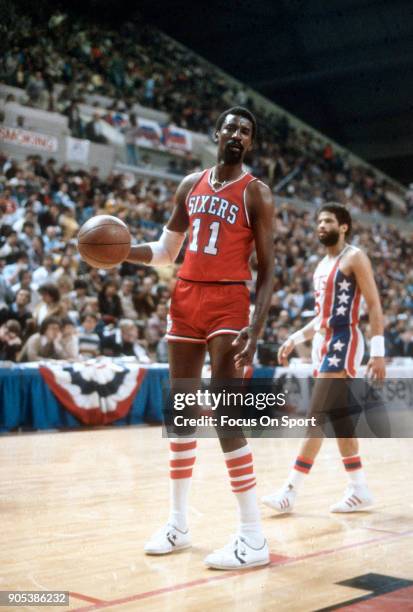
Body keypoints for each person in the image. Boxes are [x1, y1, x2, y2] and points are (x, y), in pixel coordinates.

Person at [125, 107, 274, 569]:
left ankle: (253, 537)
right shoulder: (190, 184)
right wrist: (119, 254)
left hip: (229, 301)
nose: (236, 134)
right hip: (185, 296)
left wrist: (258, 326)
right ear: (216, 134)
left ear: (250, 143)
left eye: (245, 131)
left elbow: (268, 270)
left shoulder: (257, 194)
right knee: (181, 411)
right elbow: (167, 251)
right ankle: (178, 523)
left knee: (228, 414)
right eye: (230, 126)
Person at [262, 204, 386, 514]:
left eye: (328, 220)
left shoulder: (354, 257)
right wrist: (293, 338)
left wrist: (378, 351)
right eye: (318, 221)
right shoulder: (320, 265)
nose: (321, 225)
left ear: (343, 226)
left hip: (344, 341)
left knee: (315, 417)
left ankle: (290, 491)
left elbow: (373, 305)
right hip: (323, 342)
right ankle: (359, 489)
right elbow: (320, 317)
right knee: (340, 421)